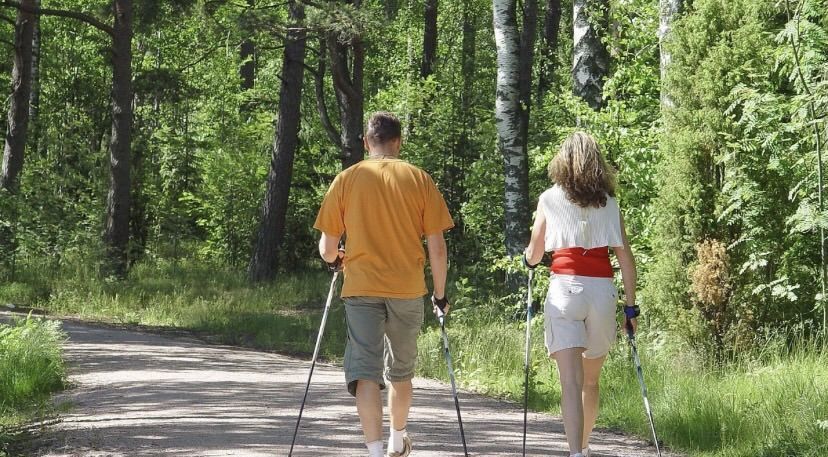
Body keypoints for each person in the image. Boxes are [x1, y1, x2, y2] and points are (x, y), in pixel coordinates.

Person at [313, 112, 454, 457]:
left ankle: (375, 450)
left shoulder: (347, 179)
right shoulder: (419, 179)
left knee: (365, 372)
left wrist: (335, 260)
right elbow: (436, 247)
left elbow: (328, 246)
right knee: (401, 370)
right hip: (407, 288)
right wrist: (439, 294)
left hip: (360, 287)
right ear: (398, 142)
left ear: (365, 142)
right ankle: (397, 437)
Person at [523, 132, 639, 457]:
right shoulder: (611, 204)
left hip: (564, 290)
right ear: (597, 164)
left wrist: (527, 258)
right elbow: (626, 261)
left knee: (570, 384)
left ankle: (576, 453)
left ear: (562, 162)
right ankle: (585, 447)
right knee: (591, 382)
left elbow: (534, 254)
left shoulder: (548, 199)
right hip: (601, 293)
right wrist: (631, 309)